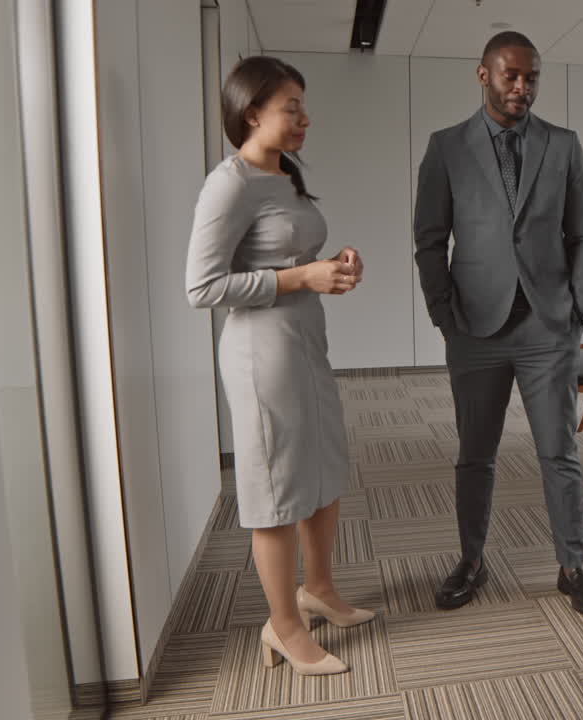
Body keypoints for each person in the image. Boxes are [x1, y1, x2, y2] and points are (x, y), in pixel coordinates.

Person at [186, 56, 373, 677]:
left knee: (323, 469)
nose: (304, 119)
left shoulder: (283, 175)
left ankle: (317, 588)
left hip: (304, 343)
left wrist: (335, 266)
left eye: (302, 107)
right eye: (291, 108)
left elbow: (292, 252)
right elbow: (202, 288)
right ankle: (283, 627)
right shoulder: (229, 182)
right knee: (276, 492)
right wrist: (301, 276)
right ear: (251, 112)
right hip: (261, 356)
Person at [413, 31, 583, 618]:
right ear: (483, 75)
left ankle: (572, 566)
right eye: (510, 76)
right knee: (475, 453)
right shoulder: (446, 147)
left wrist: (579, 308)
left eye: (531, 77)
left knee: (560, 451)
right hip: (474, 328)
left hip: (548, 327)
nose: (522, 86)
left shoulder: (562, 144)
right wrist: (443, 314)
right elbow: (428, 239)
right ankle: (472, 561)